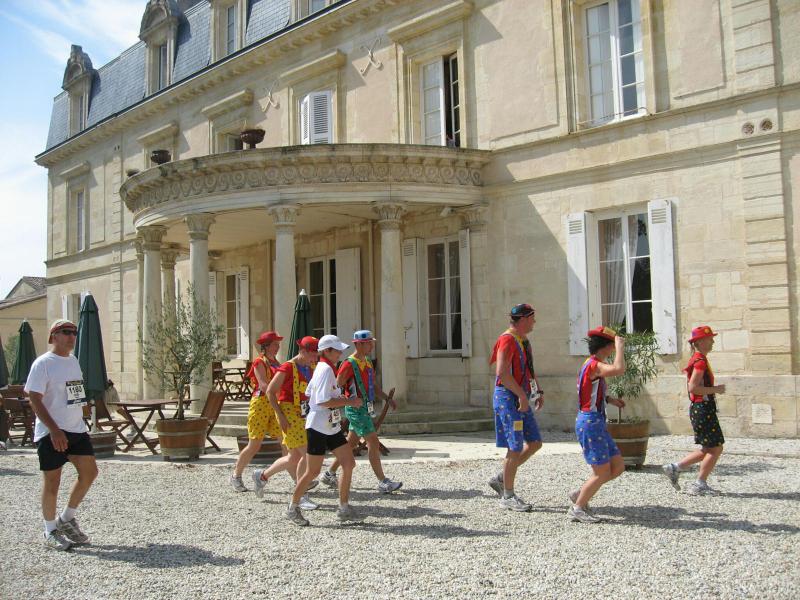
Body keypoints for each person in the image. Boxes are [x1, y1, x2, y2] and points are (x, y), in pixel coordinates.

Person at [24, 319, 99, 550]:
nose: (71, 336)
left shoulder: (73, 361)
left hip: (76, 429)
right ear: (54, 336)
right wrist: (54, 430)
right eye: (66, 332)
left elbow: (74, 392)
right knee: (52, 482)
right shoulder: (43, 363)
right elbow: (34, 398)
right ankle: (49, 530)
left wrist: (82, 412)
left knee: (90, 473)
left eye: (74, 332)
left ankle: (66, 518)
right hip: (51, 432)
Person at [287, 335, 363, 526]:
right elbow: (321, 401)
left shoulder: (323, 368)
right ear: (327, 351)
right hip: (319, 427)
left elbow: (309, 393)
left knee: (348, 463)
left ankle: (344, 507)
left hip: (328, 425)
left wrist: (337, 398)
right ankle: (292, 508)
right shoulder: (325, 369)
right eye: (337, 350)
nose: (340, 353)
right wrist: (349, 401)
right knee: (312, 472)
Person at [322, 330, 402, 494]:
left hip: (365, 407)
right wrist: (338, 403)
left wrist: (386, 398)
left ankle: (329, 473)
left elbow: (373, 385)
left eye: (372, 342)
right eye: (368, 343)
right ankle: (382, 482)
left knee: (350, 444)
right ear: (358, 344)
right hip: (355, 409)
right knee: (373, 442)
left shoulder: (367, 362)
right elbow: (336, 385)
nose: (371, 346)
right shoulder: (348, 363)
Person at [487, 303, 544, 512]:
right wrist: (521, 395)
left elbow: (529, 369)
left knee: (535, 442)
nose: (534, 322)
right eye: (532, 318)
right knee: (515, 446)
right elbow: (502, 373)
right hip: (508, 397)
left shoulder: (523, 339)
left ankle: (502, 478)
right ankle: (508, 496)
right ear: (523, 319)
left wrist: (537, 391)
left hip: (520, 396)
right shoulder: (507, 339)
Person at [252, 336, 318, 510]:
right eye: (312, 354)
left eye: (316, 354)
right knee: (306, 455)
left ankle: (262, 476)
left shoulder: (310, 366)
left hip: (303, 413)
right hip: (289, 413)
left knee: (293, 457)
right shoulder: (287, 367)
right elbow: (270, 391)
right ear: (302, 351)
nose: (315, 358)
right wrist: (280, 416)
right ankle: (301, 495)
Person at [570, 326, 626, 524]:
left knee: (617, 467)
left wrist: (610, 400)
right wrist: (621, 347)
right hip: (590, 422)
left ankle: (582, 493)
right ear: (607, 346)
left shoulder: (592, 364)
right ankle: (577, 508)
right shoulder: (595, 365)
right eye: (612, 346)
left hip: (596, 422)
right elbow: (619, 369)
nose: (613, 350)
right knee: (602, 471)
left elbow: (590, 391)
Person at [662, 326, 726, 496]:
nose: (713, 342)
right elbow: (693, 387)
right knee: (715, 448)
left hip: (701, 409)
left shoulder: (698, 359)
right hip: (703, 408)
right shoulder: (700, 362)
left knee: (709, 448)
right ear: (700, 342)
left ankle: (676, 468)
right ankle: (699, 484)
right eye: (710, 339)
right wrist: (716, 389)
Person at [230, 331, 284, 492]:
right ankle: (236, 475)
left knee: (285, 442)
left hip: (274, 404)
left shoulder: (276, 362)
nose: (277, 347)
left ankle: (299, 480)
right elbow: (263, 385)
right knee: (254, 444)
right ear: (266, 346)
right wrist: (280, 396)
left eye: (278, 344)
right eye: (275, 344)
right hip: (261, 404)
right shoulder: (259, 362)